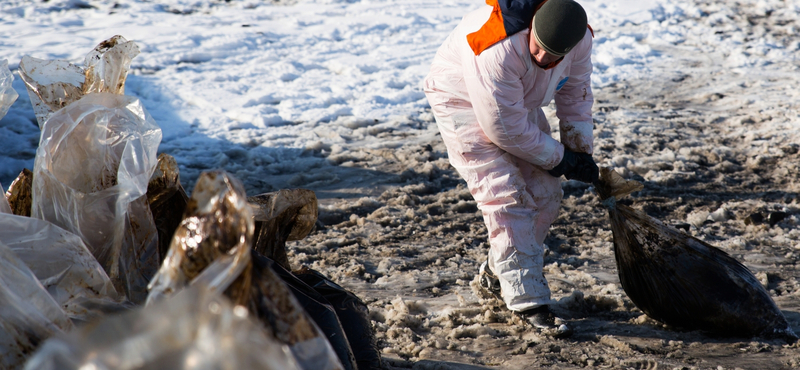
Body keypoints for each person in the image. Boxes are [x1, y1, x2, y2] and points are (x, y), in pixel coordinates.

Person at [423, 0, 599, 337]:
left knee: (546, 192)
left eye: (555, 56)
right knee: (506, 197)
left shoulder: (580, 41)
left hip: (514, 104)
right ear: (531, 26)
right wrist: (561, 159)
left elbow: (576, 95)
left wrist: (579, 151)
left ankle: (497, 272)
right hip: (462, 100)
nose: (545, 59)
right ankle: (528, 301)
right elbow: (504, 129)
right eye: (540, 49)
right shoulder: (498, 49)